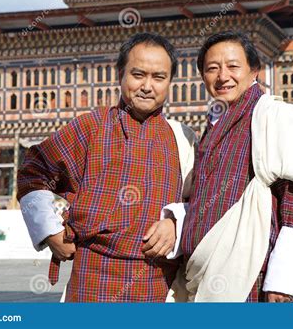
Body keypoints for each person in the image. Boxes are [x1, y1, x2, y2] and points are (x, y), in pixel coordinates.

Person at [155, 31, 293, 302]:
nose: (223, 76)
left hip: (253, 273)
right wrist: (175, 220)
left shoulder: (271, 115)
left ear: (253, 71)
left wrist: (285, 280)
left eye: (233, 66)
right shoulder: (212, 127)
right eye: (212, 68)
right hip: (206, 271)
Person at [17, 32, 196, 302]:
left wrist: (176, 222)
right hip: (93, 273)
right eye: (138, 75)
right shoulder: (92, 126)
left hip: (158, 279)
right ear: (120, 75)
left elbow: (199, 201)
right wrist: (49, 231)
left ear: (170, 82)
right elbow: (33, 171)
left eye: (158, 77)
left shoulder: (183, 137)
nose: (147, 86)